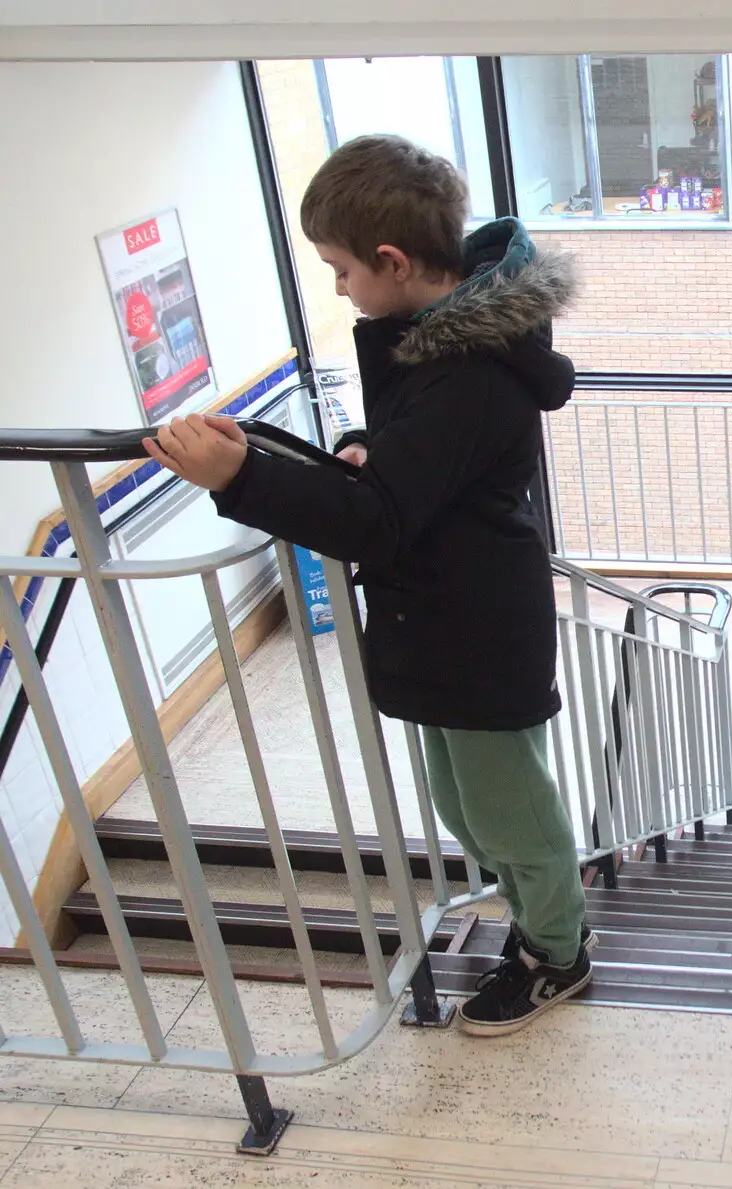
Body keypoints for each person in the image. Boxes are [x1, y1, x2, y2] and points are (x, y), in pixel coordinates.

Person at [143, 134, 594, 1037]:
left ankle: (560, 951)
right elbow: (416, 463)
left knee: (511, 809)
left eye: (342, 270)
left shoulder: (466, 371)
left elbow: (378, 519)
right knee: (465, 803)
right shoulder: (434, 341)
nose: (341, 287)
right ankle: (539, 924)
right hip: (438, 613)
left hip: (473, 625)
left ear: (391, 260)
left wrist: (241, 477)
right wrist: (366, 445)